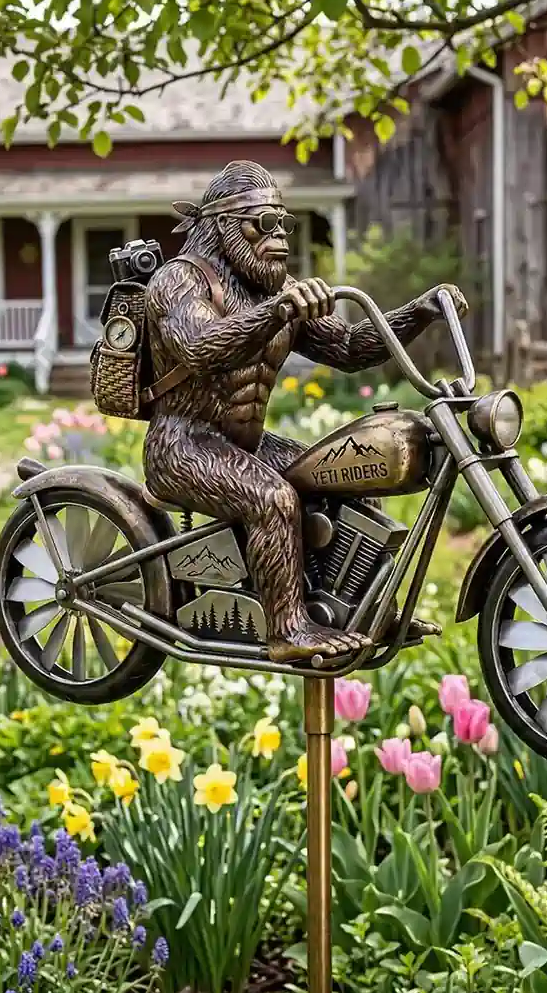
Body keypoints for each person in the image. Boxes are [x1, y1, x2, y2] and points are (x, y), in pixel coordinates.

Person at [142, 160, 467, 663]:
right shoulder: (180, 281)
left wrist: (417, 311)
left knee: (352, 480)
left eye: (284, 224)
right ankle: (287, 629)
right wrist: (278, 311)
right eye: (262, 224)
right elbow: (199, 347)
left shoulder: (278, 291)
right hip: (184, 444)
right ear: (224, 226)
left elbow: (352, 347)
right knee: (273, 500)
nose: (280, 237)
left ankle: (369, 609)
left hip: (245, 443)